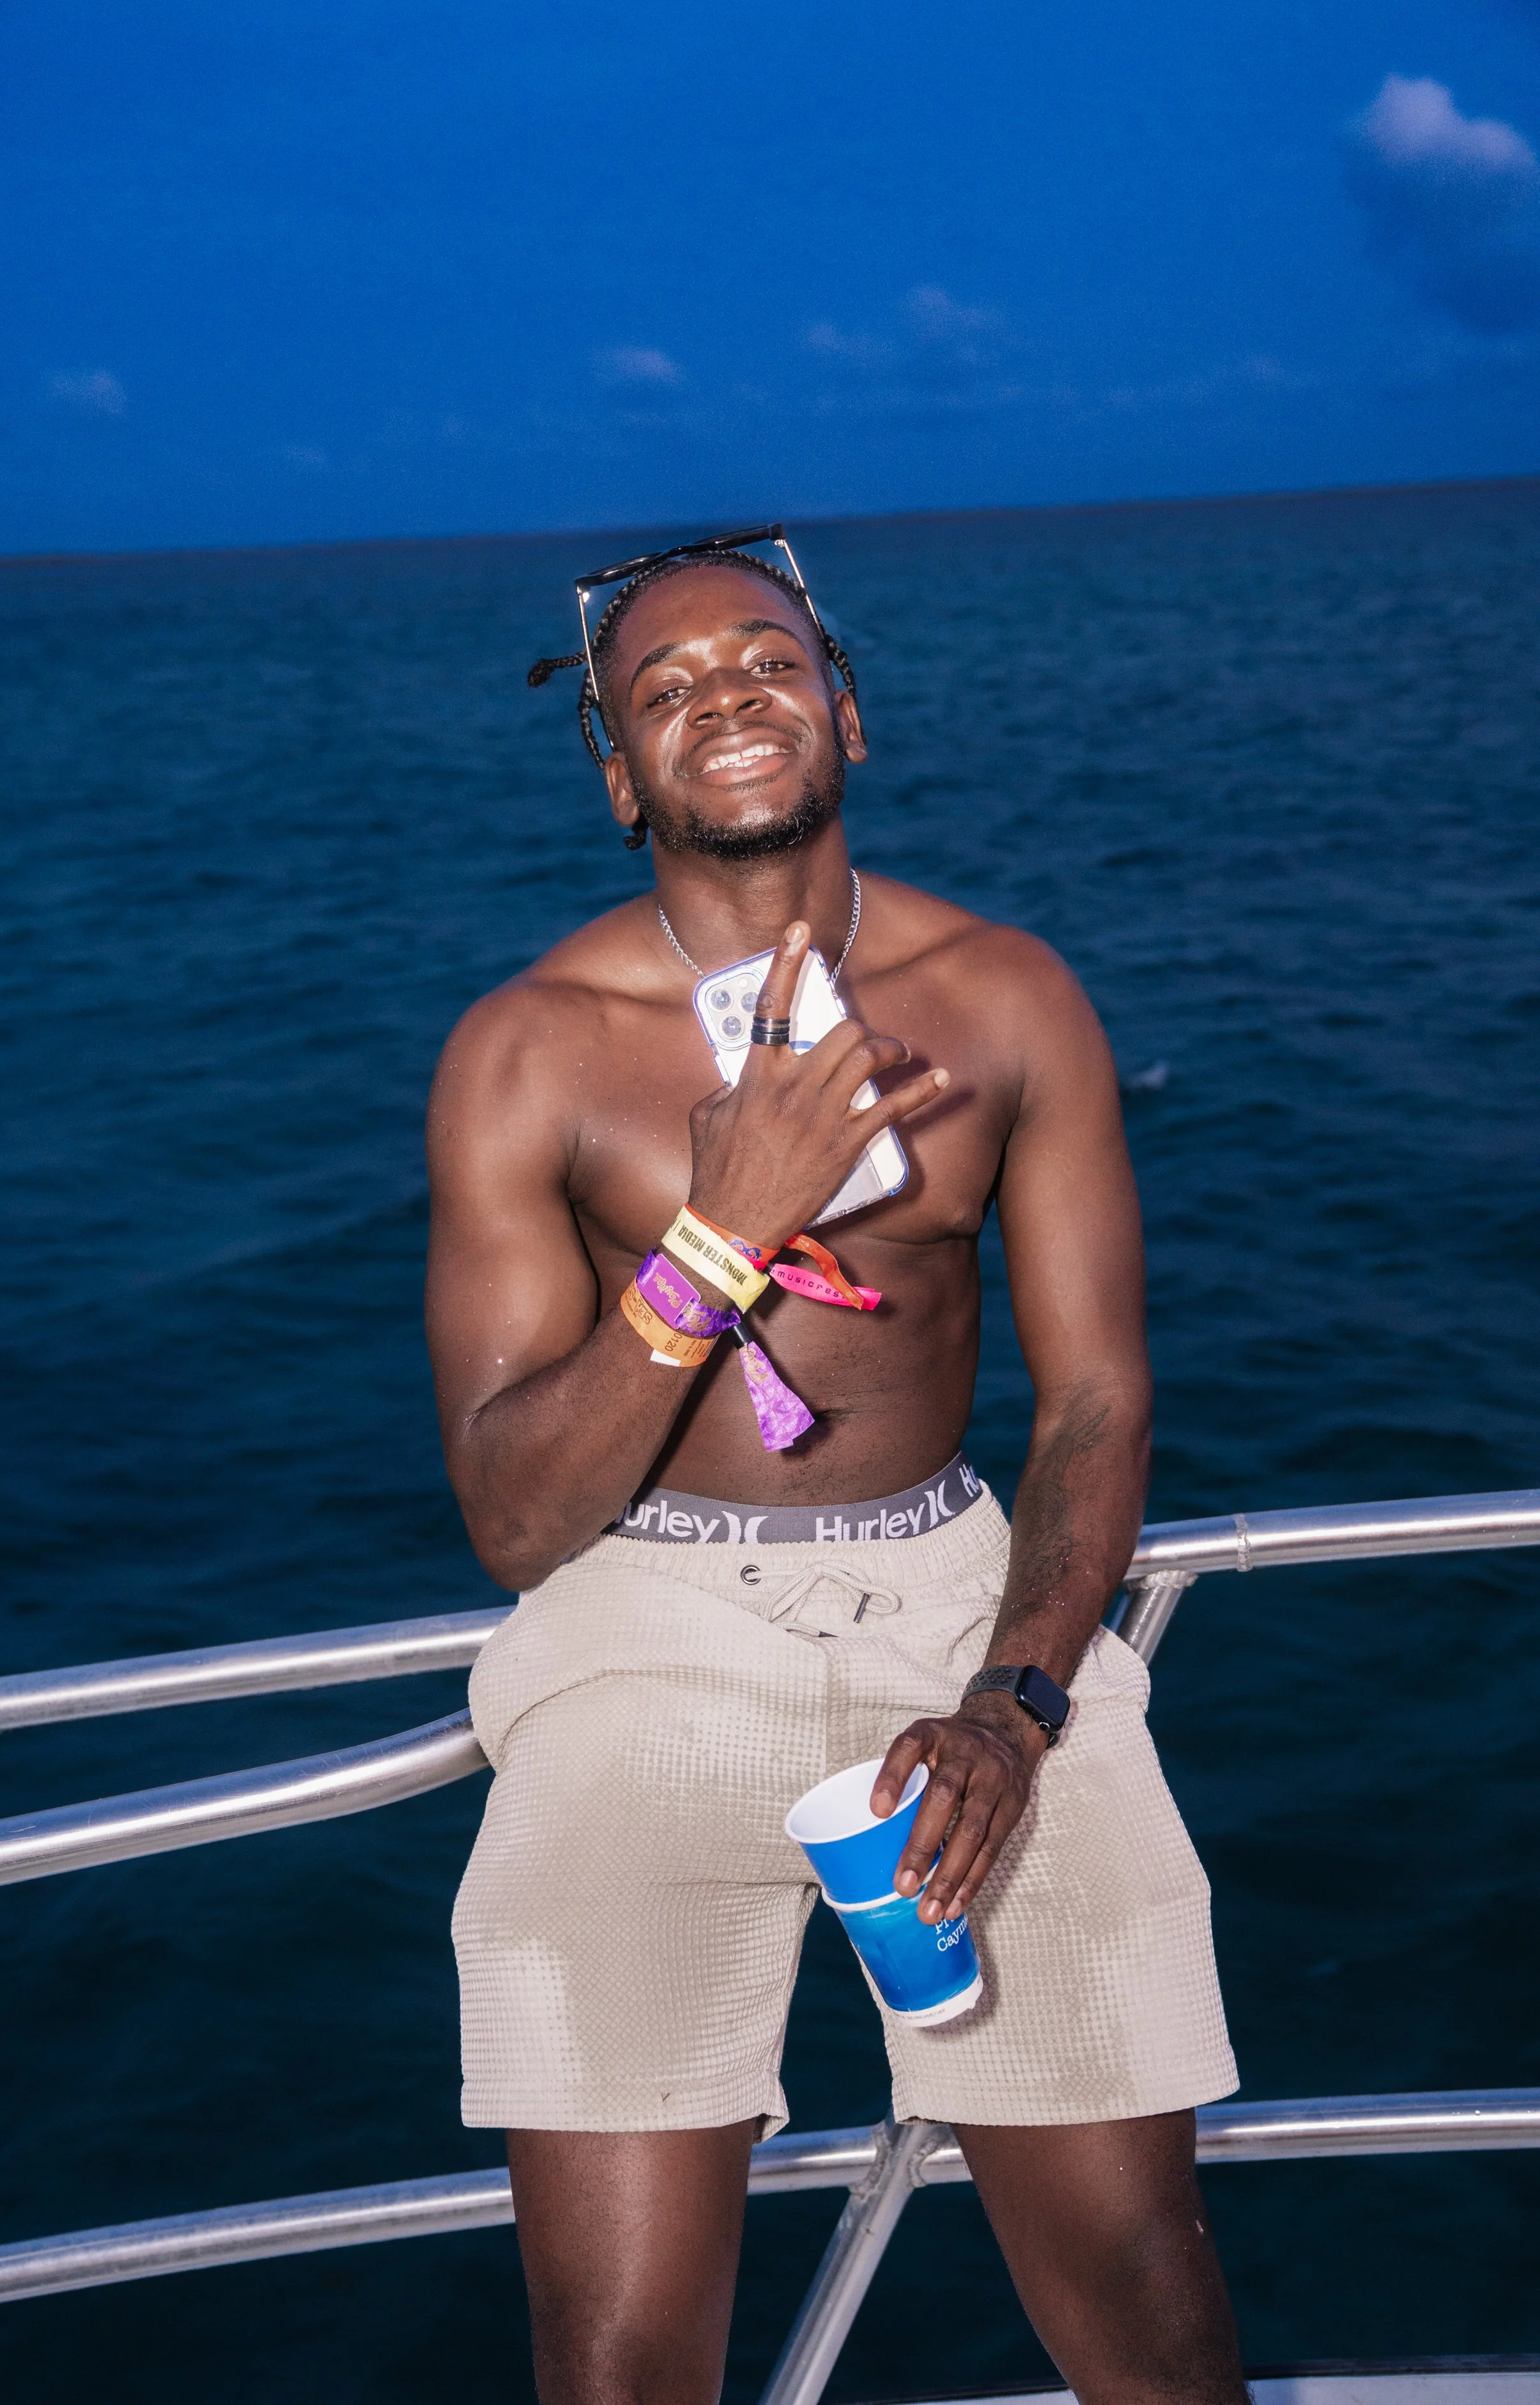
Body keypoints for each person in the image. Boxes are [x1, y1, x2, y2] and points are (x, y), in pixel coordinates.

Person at [426, 529, 1246, 2405]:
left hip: (962, 1611)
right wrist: (717, 1236)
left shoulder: (1007, 998)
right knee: (619, 2358)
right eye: (664, 683)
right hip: (638, 1621)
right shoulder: (528, 1055)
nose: (724, 692)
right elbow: (513, 1514)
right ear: (619, 770)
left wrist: (1012, 1701)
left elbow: (1095, 1404)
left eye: (764, 656)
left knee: (1148, 2302)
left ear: (845, 708)